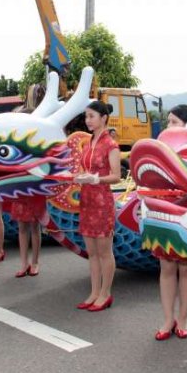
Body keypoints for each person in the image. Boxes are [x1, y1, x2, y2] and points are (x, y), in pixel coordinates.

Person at [152, 105, 187, 341]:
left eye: (174, 122)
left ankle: (183, 318)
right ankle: (167, 319)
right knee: (166, 267)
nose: (168, 126)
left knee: (186, 267)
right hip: (164, 212)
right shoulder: (162, 150)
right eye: (168, 121)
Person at [74, 101, 121, 312]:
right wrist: (80, 177)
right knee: (91, 252)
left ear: (104, 118)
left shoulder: (111, 144)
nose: (88, 120)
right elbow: (83, 168)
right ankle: (94, 292)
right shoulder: (88, 142)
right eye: (86, 116)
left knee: (104, 252)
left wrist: (96, 179)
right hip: (87, 200)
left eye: (91, 116)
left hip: (102, 202)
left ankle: (105, 293)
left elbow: (116, 176)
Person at [9, 196, 46, 277]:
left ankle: (35, 263)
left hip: (34, 194)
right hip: (19, 194)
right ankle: (24, 264)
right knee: (22, 227)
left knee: (35, 226)